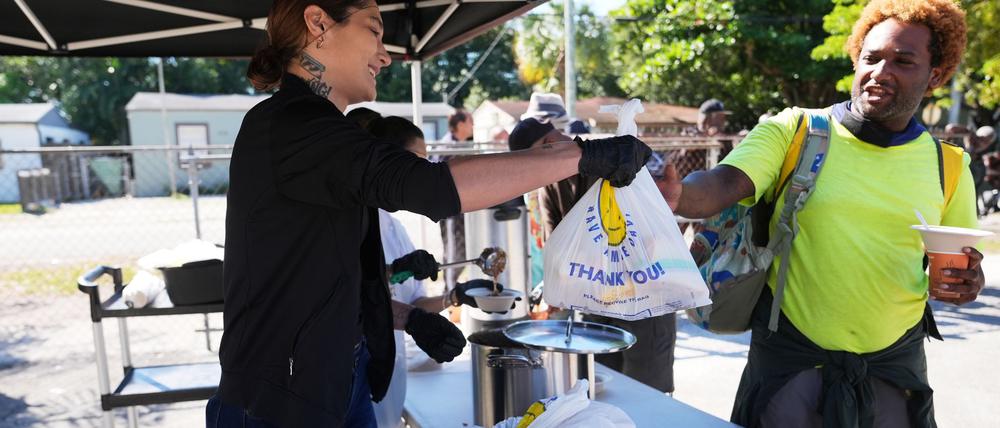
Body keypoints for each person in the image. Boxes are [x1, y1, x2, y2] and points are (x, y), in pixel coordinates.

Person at [209, 1, 652, 427]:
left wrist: (407, 317)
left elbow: (330, 283)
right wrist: (582, 156)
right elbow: (433, 186)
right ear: (318, 24)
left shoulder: (321, 132)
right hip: (276, 404)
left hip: (337, 383)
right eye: (374, 31)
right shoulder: (290, 126)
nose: (384, 56)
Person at [656, 1, 983, 426]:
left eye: (903, 61)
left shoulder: (950, 166)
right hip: (792, 370)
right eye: (871, 58)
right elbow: (723, 184)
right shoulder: (794, 130)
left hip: (893, 372)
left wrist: (967, 281)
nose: (881, 72)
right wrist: (679, 194)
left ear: (935, 75)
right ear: (856, 60)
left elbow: (957, 263)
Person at [509, 117, 679, 394]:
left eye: (541, 151)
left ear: (551, 142)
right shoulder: (549, 185)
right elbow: (558, 247)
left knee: (647, 391)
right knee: (602, 387)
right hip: (597, 300)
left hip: (645, 294)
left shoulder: (610, 157)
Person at [359, 115, 497, 428]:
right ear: (389, 159)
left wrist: (455, 296)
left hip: (393, 371)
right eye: (418, 160)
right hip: (358, 368)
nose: (424, 170)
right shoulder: (353, 222)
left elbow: (416, 303)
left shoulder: (395, 227)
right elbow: (356, 288)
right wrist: (396, 270)